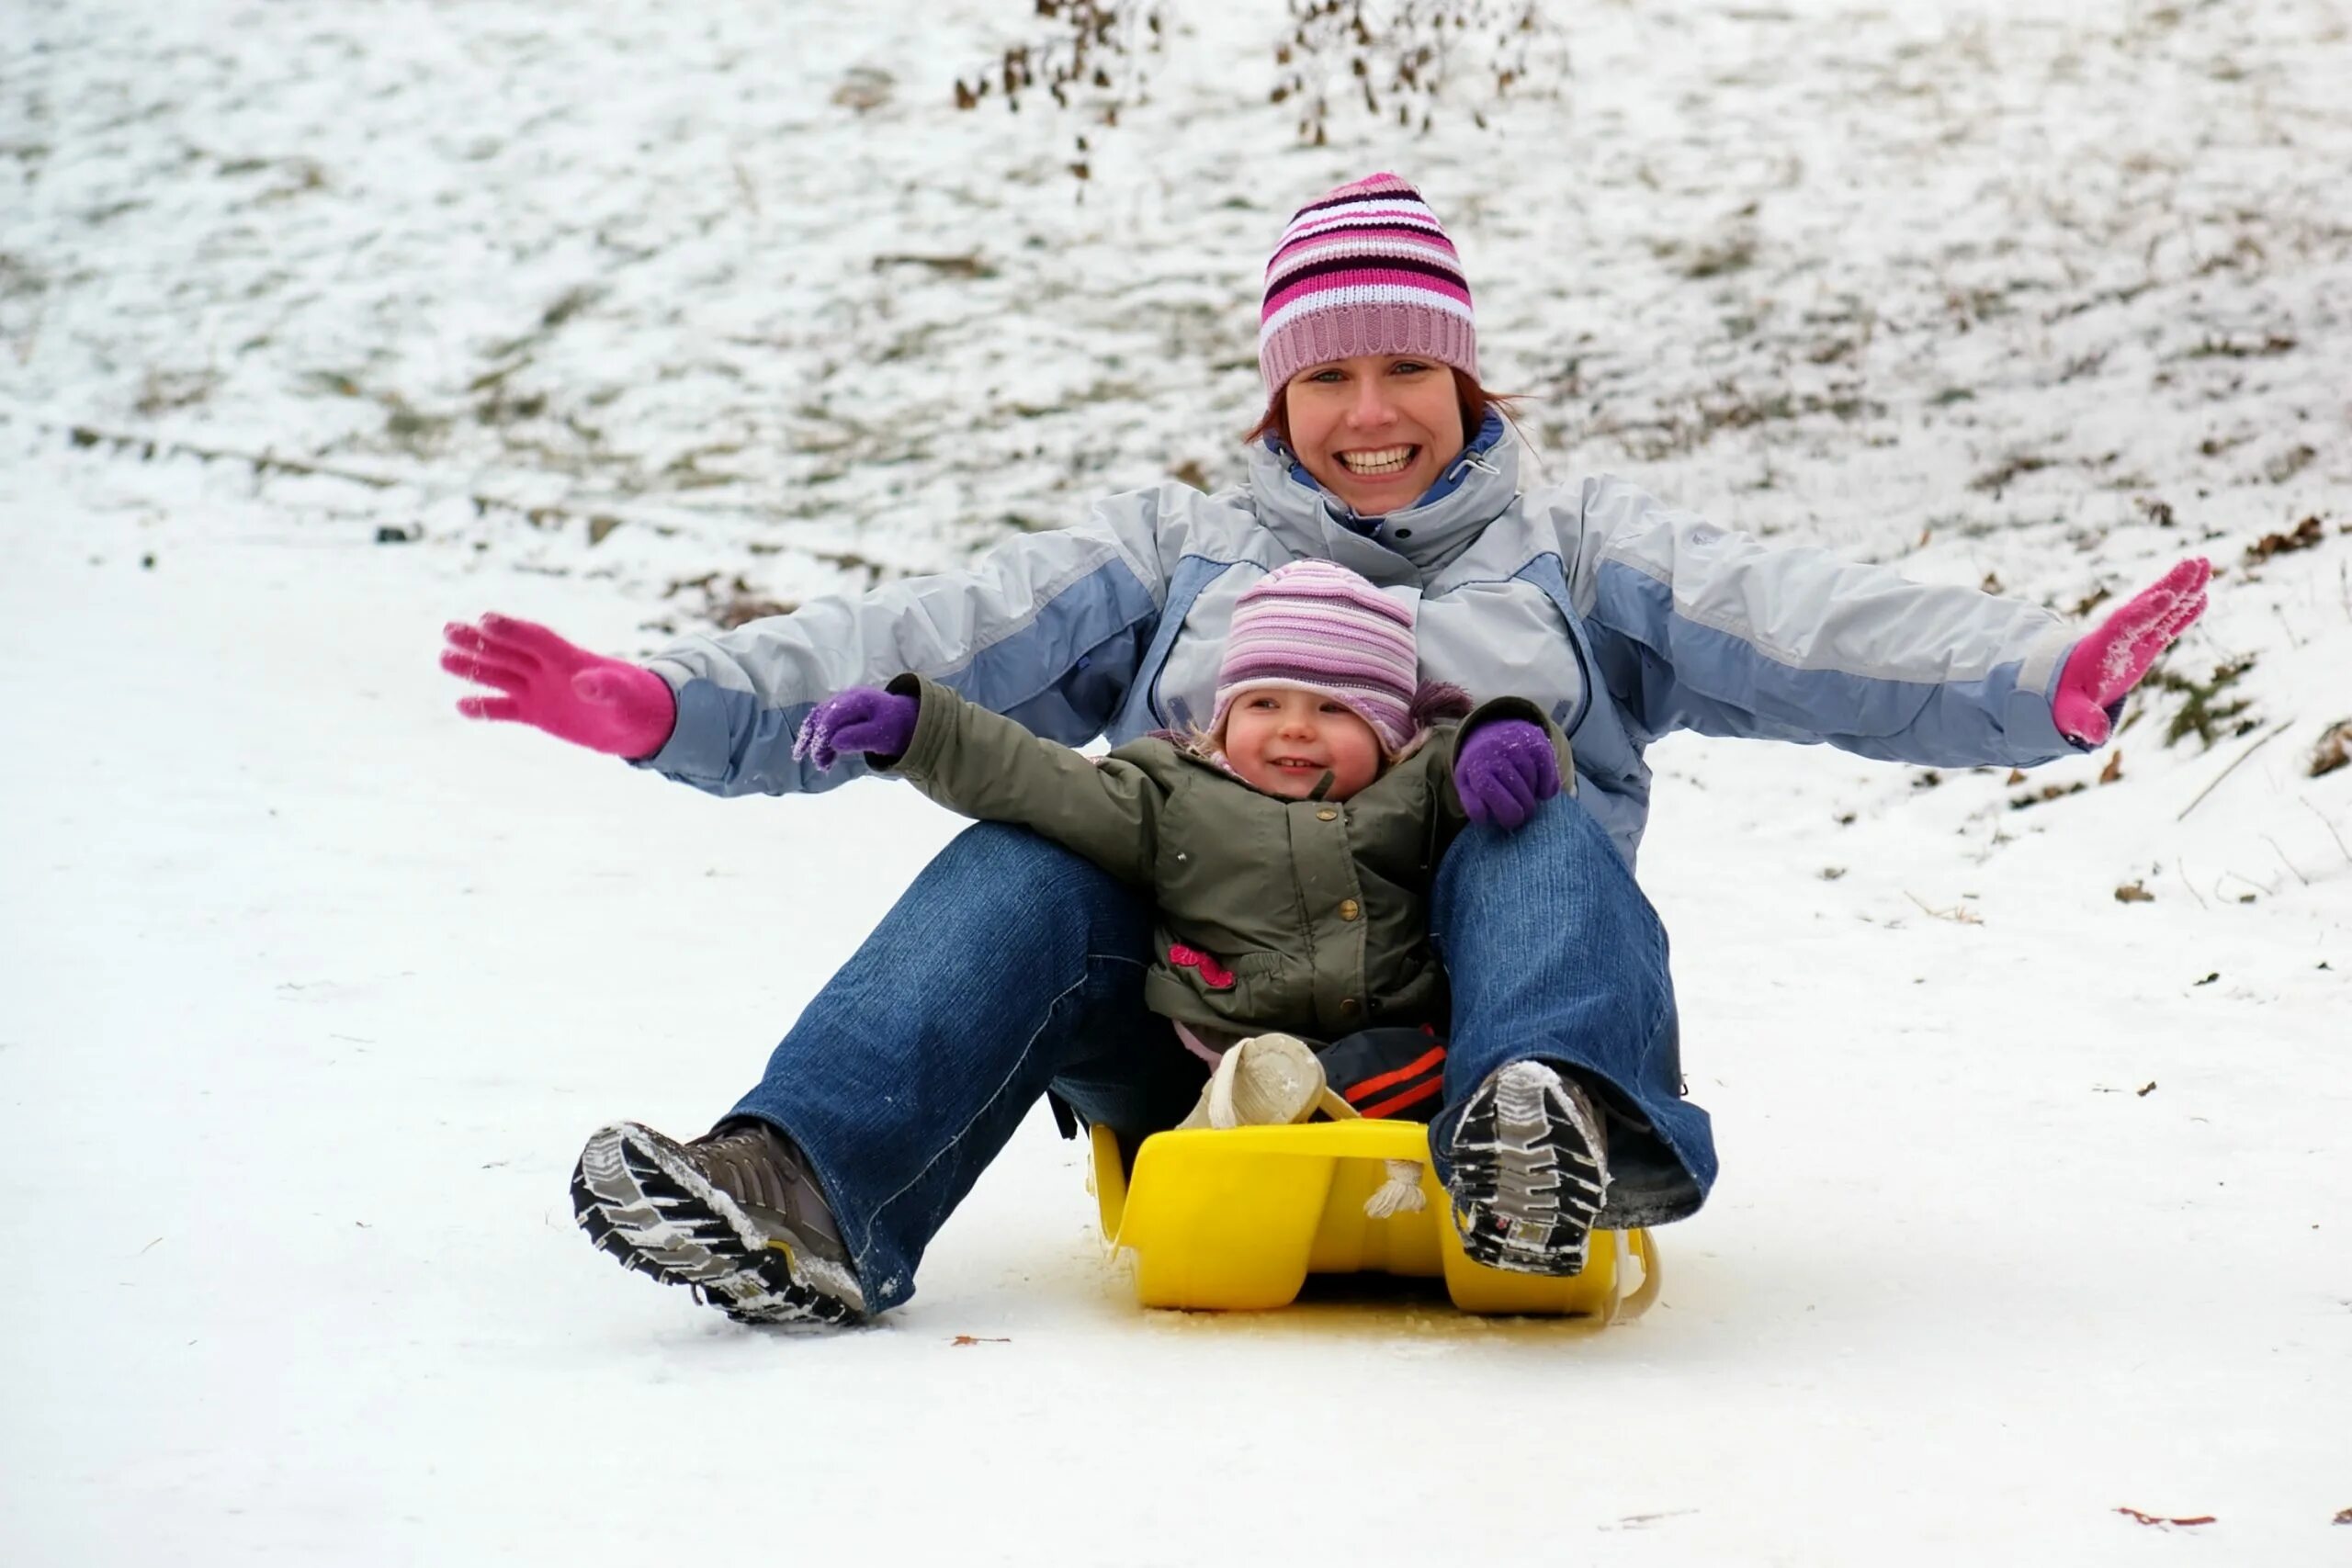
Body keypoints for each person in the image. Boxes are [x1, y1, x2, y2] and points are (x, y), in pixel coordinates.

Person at [443, 172, 2209, 1327]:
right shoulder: (1172, 550)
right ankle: (808, 1180)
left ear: (1468, 380)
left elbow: (1825, 630)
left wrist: (2037, 677)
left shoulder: (1580, 551)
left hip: (1478, 1034)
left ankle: (1554, 1130)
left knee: (1532, 813)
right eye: (1327, 379)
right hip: (1196, 1027)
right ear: (1274, 398)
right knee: (1041, 841)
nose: (1371, 416)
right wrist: (680, 704)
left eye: (1407, 370)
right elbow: (928, 640)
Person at [795, 557, 1583, 1233]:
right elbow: (1041, 778)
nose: (1294, 730)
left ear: (1385, 730)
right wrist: (921, 729)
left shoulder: (1415, 789)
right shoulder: (1174, 793)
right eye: (1265, 703)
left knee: (1419, 1055)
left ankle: (1513, 1158)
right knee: (1251, 1082)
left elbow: (1494, 763)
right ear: (1226, 712)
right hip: (1218, 1070)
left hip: (1394, 1050)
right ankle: (1240, 1148)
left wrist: (1503, 737)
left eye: (1332, 708)